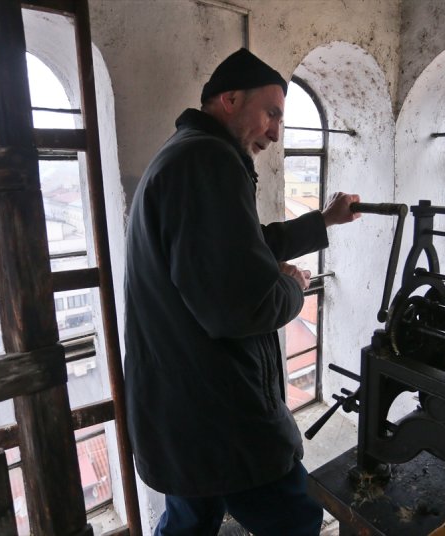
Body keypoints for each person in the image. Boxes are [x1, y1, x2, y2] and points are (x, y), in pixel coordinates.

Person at [123, 48, 360, 535]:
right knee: (293, 519)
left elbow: (240, 246)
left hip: (179, 408)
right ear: (229, 100)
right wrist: (294, 287)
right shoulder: (210, 162)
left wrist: (324, 221)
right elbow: (242, 308)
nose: (275, 133)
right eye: (271, 114)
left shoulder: (185, 154)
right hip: (222, 415)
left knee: (191, 519)